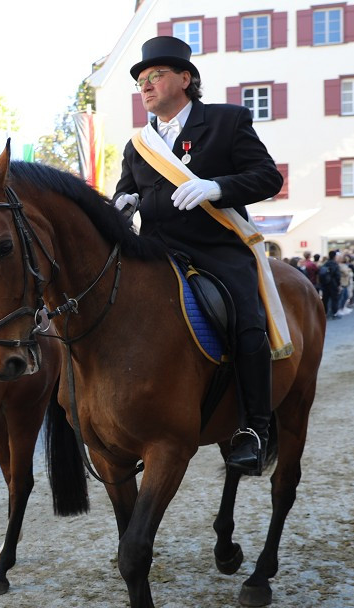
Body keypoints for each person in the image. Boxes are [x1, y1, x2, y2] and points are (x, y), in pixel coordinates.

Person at [115, 36, 283, 476]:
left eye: (155, 76)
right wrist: (121, 203)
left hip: (216, 248)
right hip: (154, 253)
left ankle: (254, 429)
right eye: (141, 81)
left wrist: (218, 187)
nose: (145, 86)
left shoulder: (227, 121)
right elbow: (125, 188)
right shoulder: (139, 144)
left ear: (185, 79)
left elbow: (267, 177)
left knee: (246, 322)